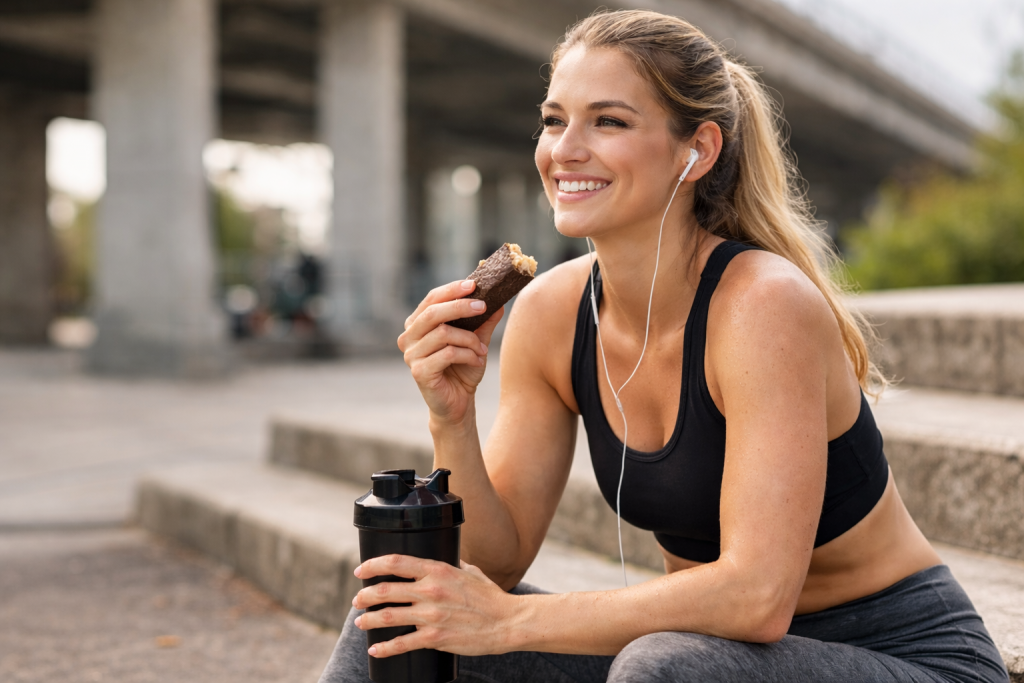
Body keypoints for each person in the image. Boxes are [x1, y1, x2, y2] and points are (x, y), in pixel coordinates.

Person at [320, 10, 1009, 682]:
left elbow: (756, 597)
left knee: (667, 663)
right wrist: (451, 417)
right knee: (401, 608)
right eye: (554, 119)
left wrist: (508, 624)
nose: (565, 149)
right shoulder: (553, 312)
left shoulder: (762, 304)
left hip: (902, 658)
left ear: (697, 150)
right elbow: (493, 566)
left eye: (609, 121)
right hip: (705, 654)